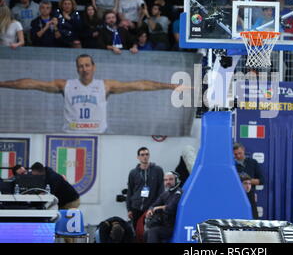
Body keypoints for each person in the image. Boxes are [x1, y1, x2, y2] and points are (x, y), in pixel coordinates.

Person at [0, 54, 188, 134]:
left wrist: (170, 86)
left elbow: (140, 85)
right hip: (71, 135)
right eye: (80, 66)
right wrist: (2, 83)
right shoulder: (65, 85)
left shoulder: (104, 86)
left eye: (87, 65)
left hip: (99, 136)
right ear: (76, 69)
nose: (84, 69)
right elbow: (31, 84)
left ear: (94, 67)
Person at [127, 147, 164, 230]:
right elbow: (130, 191)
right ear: (138, 157)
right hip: (136, 207)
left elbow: (161, 190)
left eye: (147, 154)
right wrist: (129, 209)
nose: (145, 157)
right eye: (142, 155)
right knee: (137, 231)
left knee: (149, 231)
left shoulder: (158, 170)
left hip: (151, 207)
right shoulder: (133, 172)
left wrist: (156, 206)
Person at [144, 171, 182, 243]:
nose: (168, 182)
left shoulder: (178, 193)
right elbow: (154, 205)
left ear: (176, 180)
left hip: (173, 226)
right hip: (163, 225)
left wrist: (158, 208)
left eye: (171, 179)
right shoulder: (165, 194)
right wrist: (150, 210)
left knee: (153, 232)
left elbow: (171, 208)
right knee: (146, 233)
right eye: (166, 180)